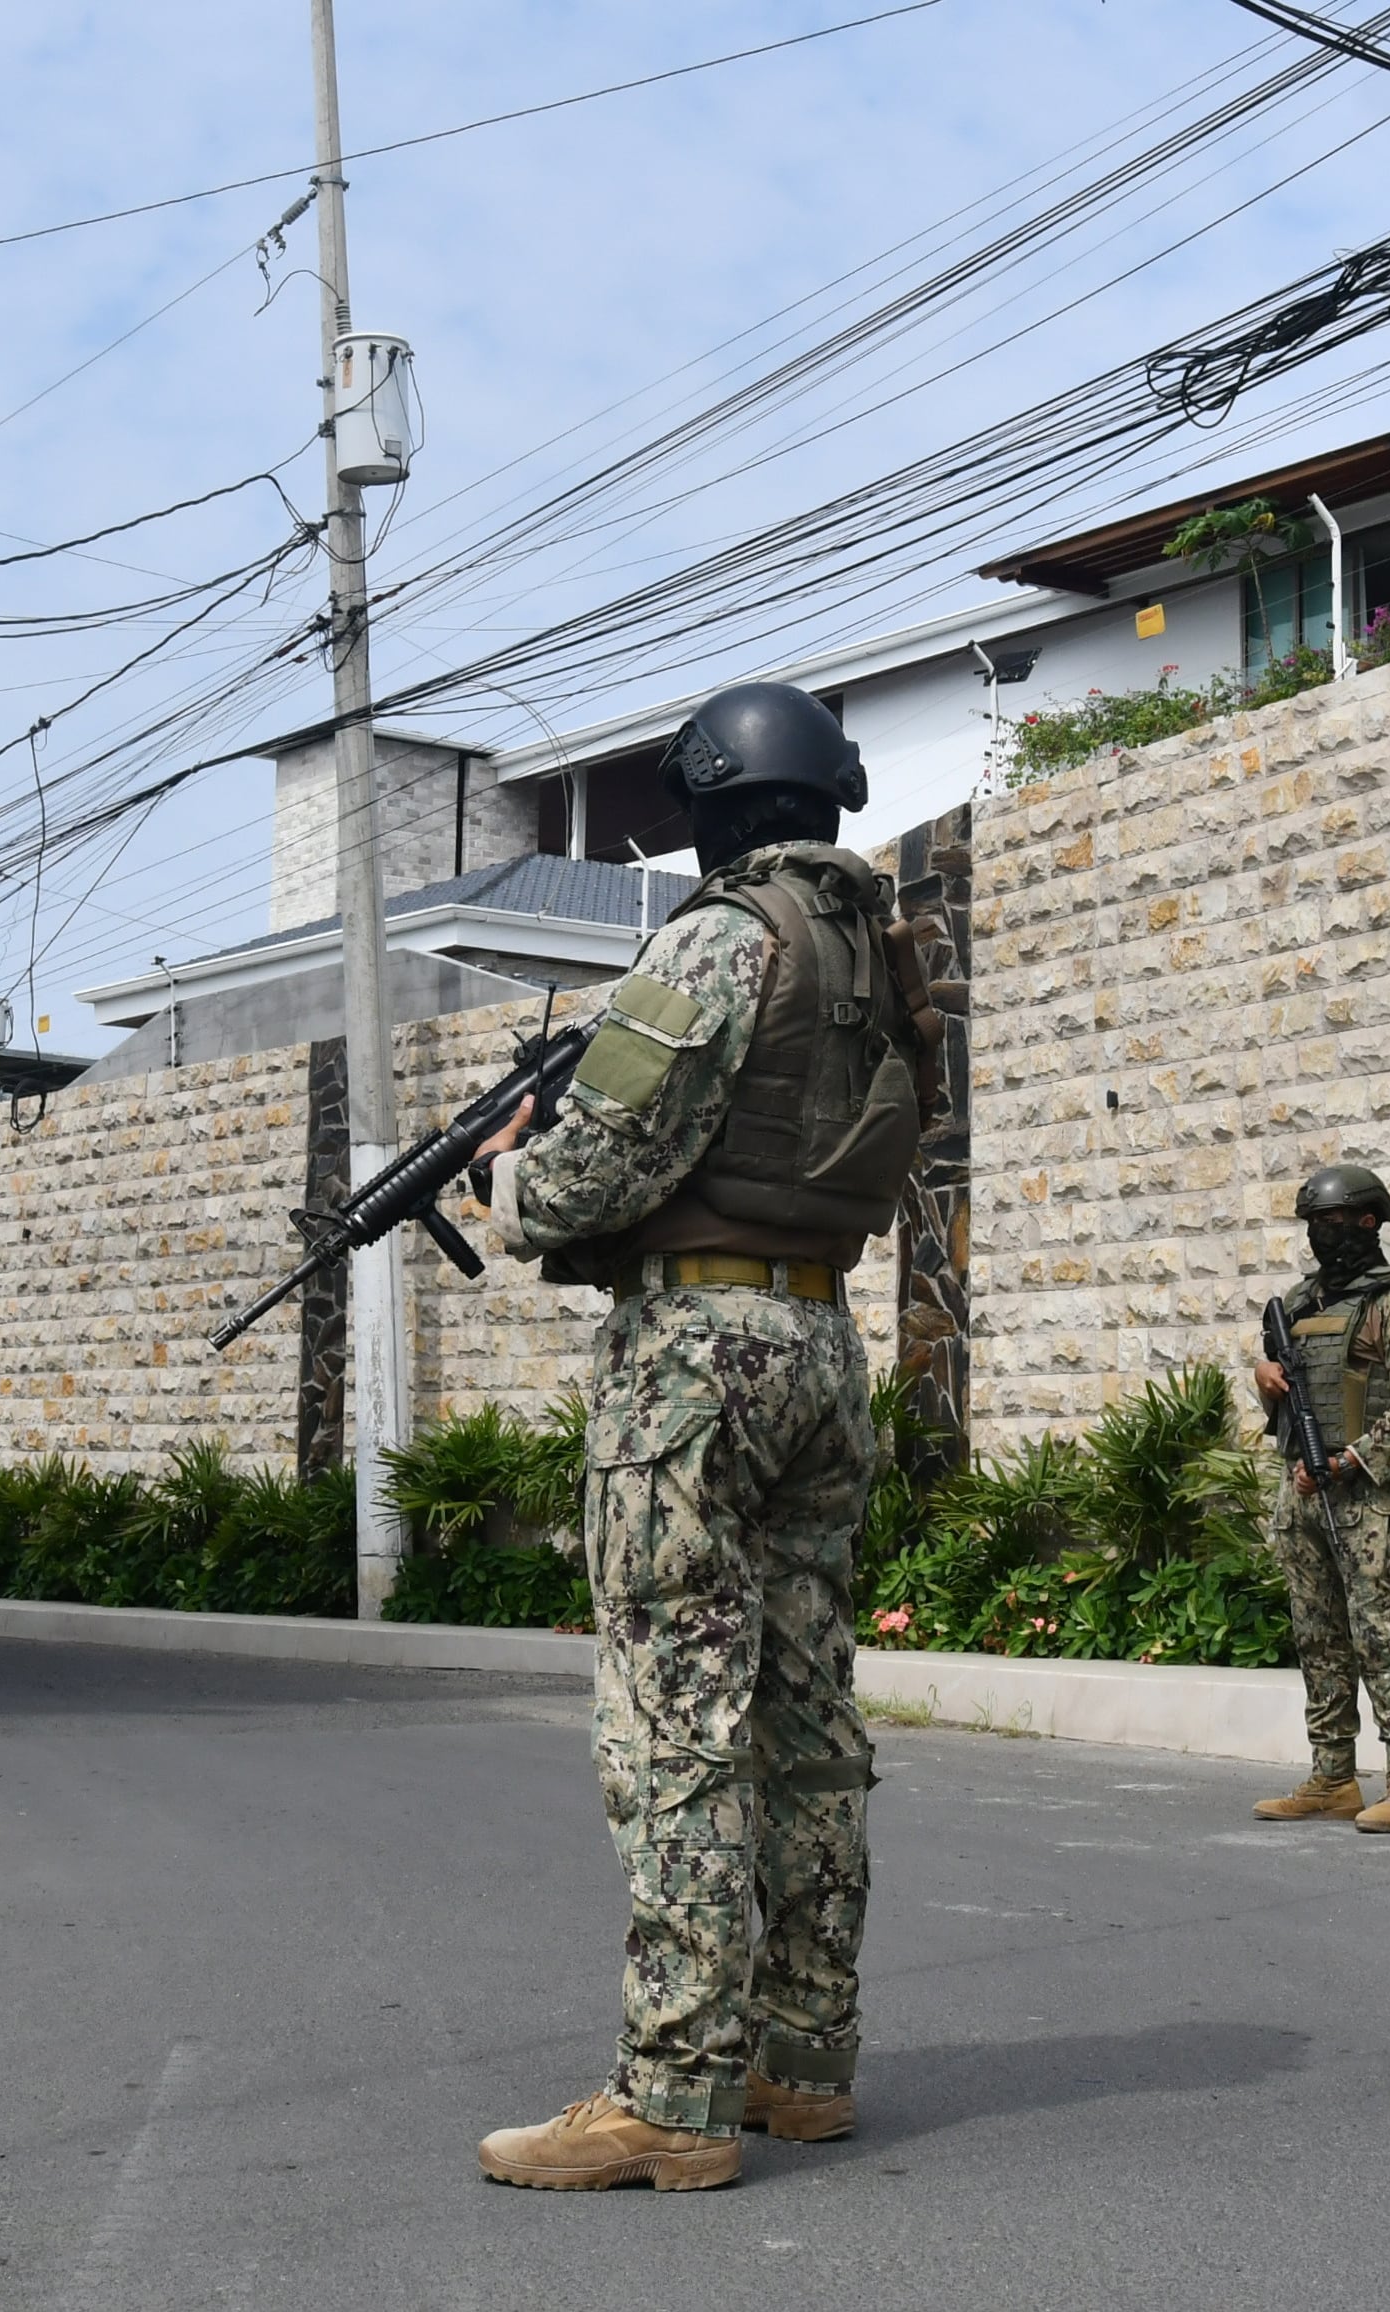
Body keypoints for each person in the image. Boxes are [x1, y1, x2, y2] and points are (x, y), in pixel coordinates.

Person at [461, 680, 930, 2193]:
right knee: (803, 1719)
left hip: (694, 1360)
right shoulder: (881, 953)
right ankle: (802, 2065)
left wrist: (506, 1189)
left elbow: (595, 1171)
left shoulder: (719, 939)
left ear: (718, 805)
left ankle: (670, 2095)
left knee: (673, 1723)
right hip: (820, 1344)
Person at [1248, 1164, 1390, 1834]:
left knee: (1381, 1637)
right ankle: (1333, 1778)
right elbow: (1285, 1400)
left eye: (1333, 1222)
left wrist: (1346, 1461)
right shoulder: (1300, 1304)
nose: (1321, 1236)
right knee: (1318, 1639)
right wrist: (1266, 1380)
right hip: (1302, 1493)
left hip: (1368, 1500)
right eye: (1313, 1224)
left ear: (1369, 1222)